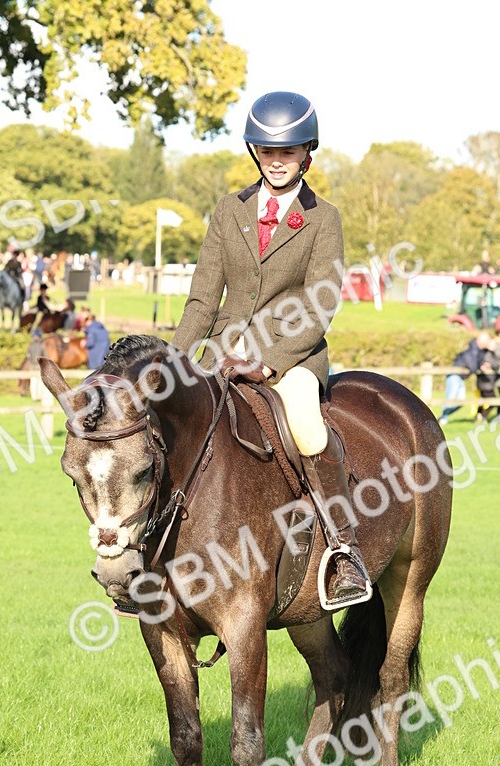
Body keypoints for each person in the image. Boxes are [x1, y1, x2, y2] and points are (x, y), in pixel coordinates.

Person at [171, 91, 371, 609]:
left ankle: (344, 553)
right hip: (222, 354)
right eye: (267, 151)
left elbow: (321, 303)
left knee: (306, 427)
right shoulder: (228, 211)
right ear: (254, 152)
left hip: (292, 358)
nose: (277, 161)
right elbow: (202, 296)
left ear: (308, 153)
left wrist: (270, 361)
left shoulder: (323, 218)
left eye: (289, 152)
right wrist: (173, 361)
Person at [439, 331, 496, 425]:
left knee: (461, 401)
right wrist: (480, 367)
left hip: (461, 378)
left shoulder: (479, 350)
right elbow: (472, 365)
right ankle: (443, 419)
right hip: (455, 376)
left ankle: (442, 417)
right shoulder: (473, 351)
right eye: (487, 341)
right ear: (482, 341)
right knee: (451, 399)